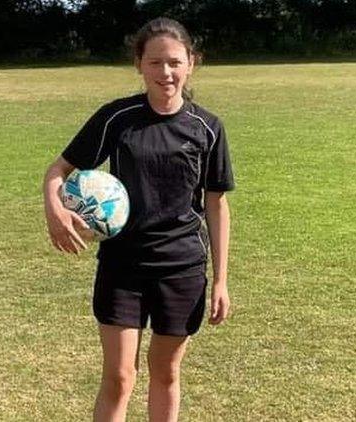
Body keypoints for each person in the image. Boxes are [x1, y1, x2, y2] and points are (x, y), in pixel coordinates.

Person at [42, 17, 235, 422]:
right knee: (119, 376)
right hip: (122, 267)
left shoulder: (207, 128)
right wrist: (55, 208)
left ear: (191, 63)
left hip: (182, 268)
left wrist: (220, 281)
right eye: (155, 63)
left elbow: (216, 204)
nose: (165, 72)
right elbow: (58, 170)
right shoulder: (118, 118)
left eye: (175, 62)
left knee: (166, 372)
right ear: (139, 65)